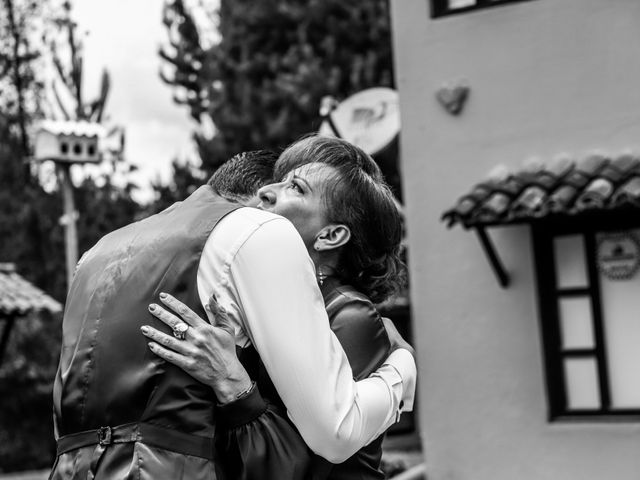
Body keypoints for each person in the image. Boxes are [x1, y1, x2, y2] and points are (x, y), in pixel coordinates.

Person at [50, 144, 415, 480]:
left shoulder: (349, 313)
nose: (266, 196)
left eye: (296, 188)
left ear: (331, 236)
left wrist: (404, 368)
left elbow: (325, 446)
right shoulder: (251, 297)